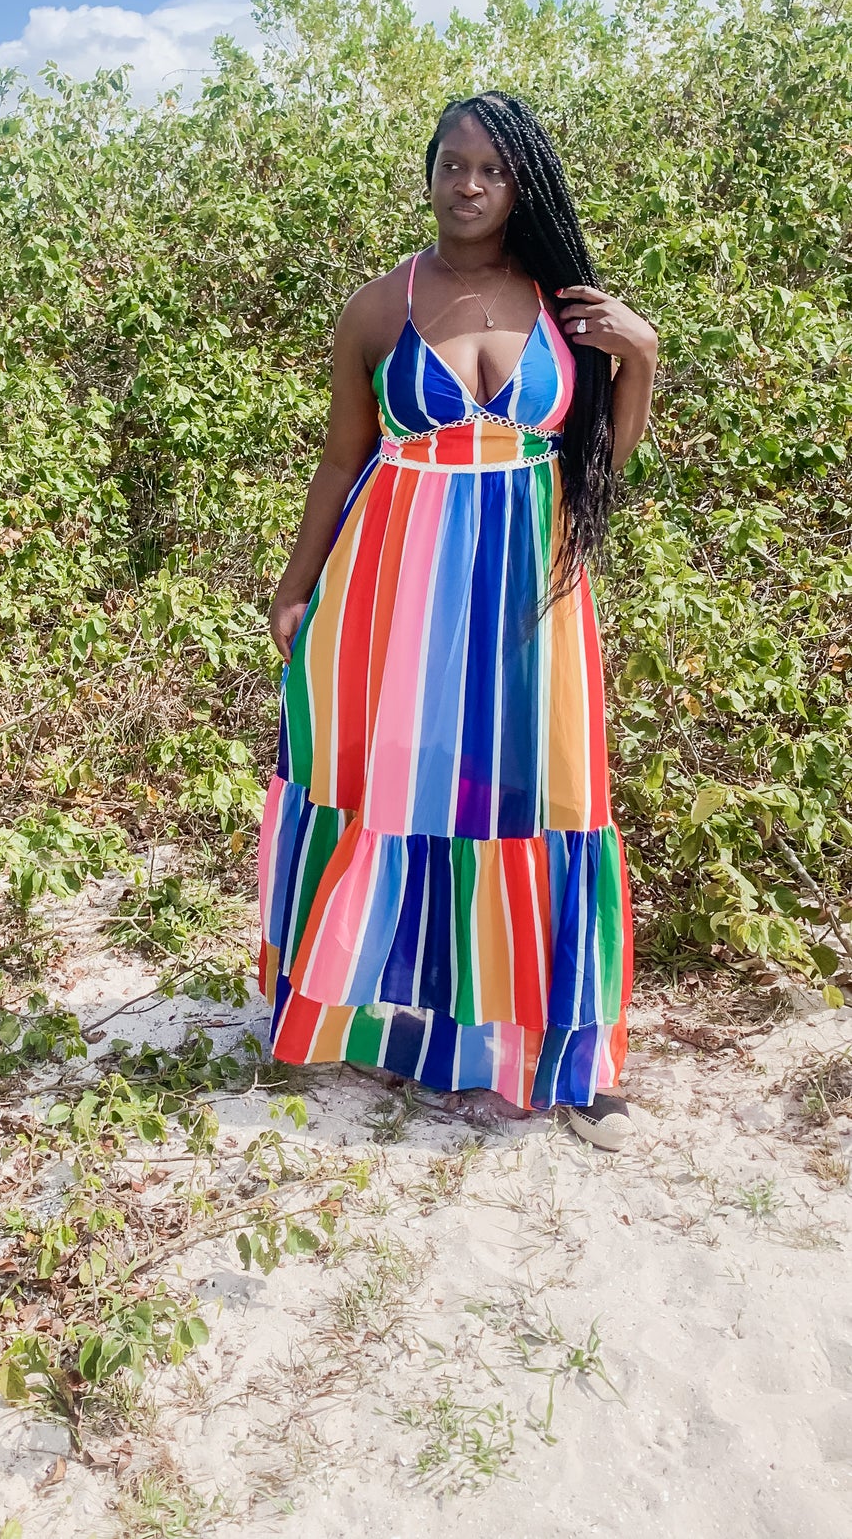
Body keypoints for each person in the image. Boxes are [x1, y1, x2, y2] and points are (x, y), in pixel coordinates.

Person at [258, 92, 658, 1151]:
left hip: (530, 586)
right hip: (388, 587)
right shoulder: (375, 306)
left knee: (547, 797)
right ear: (427, 173)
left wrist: (642, 357)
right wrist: (293, 589)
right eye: (450, 164)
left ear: (519, 182)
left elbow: (602, 468)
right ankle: (397, 1025)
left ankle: (571, 1055)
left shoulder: (560, 307)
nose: (467, 184)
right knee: (391, 786)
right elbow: (341, 458)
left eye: (489, 169)